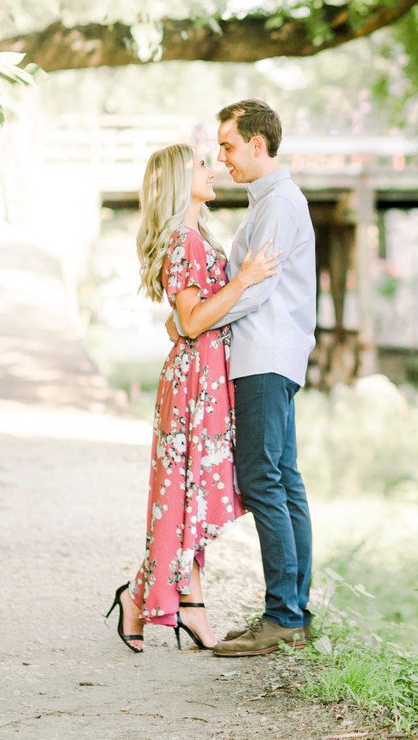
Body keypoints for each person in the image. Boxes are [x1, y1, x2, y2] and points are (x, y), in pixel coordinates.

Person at [105, 143, 279, 653]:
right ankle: (163, 600)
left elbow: (179, 321)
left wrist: (191, 323)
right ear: (182, 180)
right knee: (186, 497)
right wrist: (244, 278)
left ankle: (168, 601)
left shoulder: (196, 237)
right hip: (195, 388)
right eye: (203, 164)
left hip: (204, 380)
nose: (214, 168)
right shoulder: (184, 241)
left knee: (192, 498)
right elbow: (195, 319)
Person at [175, 99, 317, 657]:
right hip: (272, 356)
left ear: (258, 144)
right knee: (283, 480)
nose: (222, 158)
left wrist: (196, 320)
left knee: (264, 481)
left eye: (229, 146)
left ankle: (283, 617)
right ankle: (293, 614)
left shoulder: (279, 204)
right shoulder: (269, 202)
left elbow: (255, 290)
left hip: (264, 357)